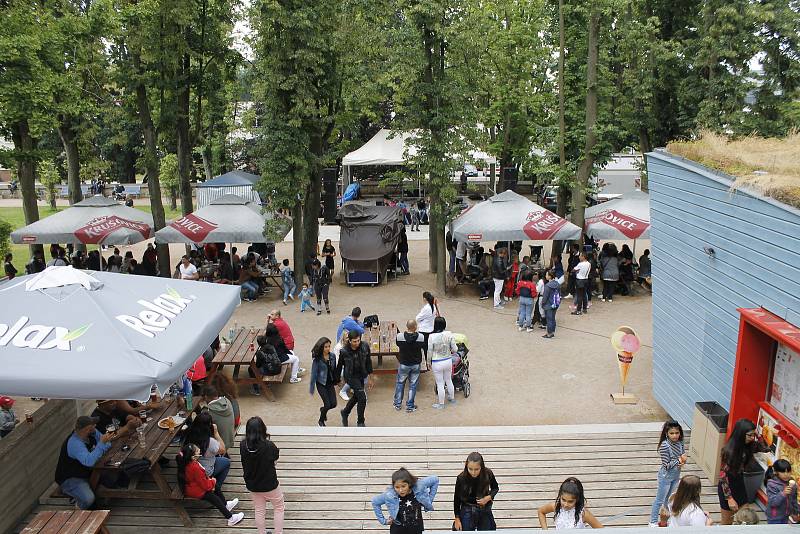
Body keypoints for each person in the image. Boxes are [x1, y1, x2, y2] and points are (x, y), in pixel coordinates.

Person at [54, 415, 132, 509]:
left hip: (89, 471)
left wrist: (102, 443)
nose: (95, 426)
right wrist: (101, 444)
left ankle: (85, 492)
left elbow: (107, 444)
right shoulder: (74, 443)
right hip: (72, 477)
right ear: (86, 429)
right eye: (93, 425)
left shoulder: (92, 434)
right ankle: (78, 504)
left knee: (116, 475)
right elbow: (89, 461)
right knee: (88, 499)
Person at [176, 443, 244, 526]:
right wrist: (212, 482)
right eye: (197, 451)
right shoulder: (195, 467)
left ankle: (225, 505)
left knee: (216, 487)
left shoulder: (186, 462)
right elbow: (205, 485)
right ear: (193, 457)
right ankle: (231, 518)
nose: (199, 451)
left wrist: (211, 482)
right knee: (215, 499)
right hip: (194, 490)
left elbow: (201, 480)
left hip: (193, 485)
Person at [718, 418, 769, 524]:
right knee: (727, 522)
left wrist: (759, 435)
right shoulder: (730, 452)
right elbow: (723, 476)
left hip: (740, 483)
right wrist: (730, 498)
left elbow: (766, 448)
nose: (752, 438)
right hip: (727, 487)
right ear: (741, 435)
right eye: (749, 435)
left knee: (746, 518)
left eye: (753, 435)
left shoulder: (749, 445)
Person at [240, 416, 285, 534]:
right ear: (263, 429)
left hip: (252, 485)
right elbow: (275, 461)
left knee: (259, 510)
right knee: (279, 507)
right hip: (270, 484)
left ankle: (262, 532)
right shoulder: (269, 446)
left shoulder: (243, 445)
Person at [372, 468, 439, 533]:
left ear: (409, 484)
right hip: (398, 530)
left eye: (403, 486)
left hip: (416, 529)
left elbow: (435, 479)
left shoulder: (419, 486)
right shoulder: (390, 495)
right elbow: (375, 502)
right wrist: (384, 521)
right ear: (393, 486)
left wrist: (429, 500)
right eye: (397, 487)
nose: (400, 490)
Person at [182, 410, 231, 495]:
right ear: (209, 425)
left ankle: (211, 484)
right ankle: (215, 487)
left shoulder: (188, 433)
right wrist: (216, 432)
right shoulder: (210, 442)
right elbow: (223, 449)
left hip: (189, 469)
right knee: (226, 462)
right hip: (204, 471)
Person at [649, 420, 686, 526]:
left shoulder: (680, 442)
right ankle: (653, 521)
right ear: (667, 433)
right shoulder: (664, 446)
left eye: (677, 433)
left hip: (676, 475)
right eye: (672, 433)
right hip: (665, 476)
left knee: (669, 498)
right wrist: (679, 460)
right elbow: (666, 465)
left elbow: (682, 455)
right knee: (659, 500)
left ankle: (666, 517)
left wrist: (683, 461)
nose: (675, 436)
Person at [336, 330, 374, 427]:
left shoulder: (365, 346)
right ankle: (360, 422)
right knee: (362, 398)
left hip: (362, 375)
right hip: (351, 377)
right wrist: (337, 380)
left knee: (357, 396)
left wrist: (371, 378)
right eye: (354, 341)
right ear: (350, 341)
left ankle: (345, 412)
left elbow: (368, 362)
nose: (357, 343)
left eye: (358, 340)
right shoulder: (344, 351)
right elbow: (339, 366)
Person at [453, 452, 499, 531]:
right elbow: (457, 499)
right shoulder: (461, 478)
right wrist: (457, 518)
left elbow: (495, 488)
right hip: (467, 509)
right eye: (470, 469)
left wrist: (488, 498)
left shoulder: (488, 473)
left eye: (476, 469)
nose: (473, 472)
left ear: (481, 466)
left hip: (484, 508)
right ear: (466, 466)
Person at [537, 477, 603, 529]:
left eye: (570, 501)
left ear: (577, 500)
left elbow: (602, 531)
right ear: (560, 496)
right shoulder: (556, 506)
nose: (565, 505)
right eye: (563, 500)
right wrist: (545, 531)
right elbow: (541, 511)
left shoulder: (583, 514)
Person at [394, 320, 425, 412]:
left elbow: (397, 344)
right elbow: (423, 346)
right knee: (413, 385)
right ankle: (410, 405)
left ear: (406, 326)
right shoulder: (421, 337)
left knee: (400, 383)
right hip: (415, 364)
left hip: (404, 363)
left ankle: (398, 404)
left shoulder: (399, 337)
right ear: (415, 326)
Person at [428, 316, 458, 409]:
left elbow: (429, 351)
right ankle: (452, 399)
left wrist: (428, 362)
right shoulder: (449, 334)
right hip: (448, 360)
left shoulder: (431, 336)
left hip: (437, 362)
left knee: (440, 383)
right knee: (448, 380)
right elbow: (455, 349)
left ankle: (441, 404)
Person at [309, 337, 338, 426]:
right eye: (326, 347)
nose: (328, 349)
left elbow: (335, 369)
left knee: (333, 404)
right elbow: (314, 373)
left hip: (330, 383)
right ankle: (321, 420)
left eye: (329, 346)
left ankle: (323, 409)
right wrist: (312, 387)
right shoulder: (317, 359)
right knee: (327, 404)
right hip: (321, 383)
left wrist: (337, 380)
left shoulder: (332, 356)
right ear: (322, 347)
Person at [203, 386, 235, 455]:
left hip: (220, 444)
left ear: (206, 397)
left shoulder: (208, 411)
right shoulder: (227, 401)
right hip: (230, 439)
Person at [765, 459, 799, 524]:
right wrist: (783, 493)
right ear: (775, 472)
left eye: (788, 471)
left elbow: (794, 500)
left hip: (786, 515)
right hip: (774, 517)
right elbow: (773, 502)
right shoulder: (772, 484)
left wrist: (795, 513)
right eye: (783, 472)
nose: (786, 474)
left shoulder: (792, 484)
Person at [415, 292, 440, 359]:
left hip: (424, 330)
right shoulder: (433, 306)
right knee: (429, 346)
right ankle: (429, 359)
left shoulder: (426, 308)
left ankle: (426, 361)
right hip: (431, 329)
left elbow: (418, 318)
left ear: (424, 299)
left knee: (424, 347)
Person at [540, 270, 561, 339]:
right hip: (555, 303)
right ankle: (552, 331)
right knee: (553, 318)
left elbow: (545, 297)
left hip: (548, 304)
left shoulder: (547, 286)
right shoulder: (557, 284)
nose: (546, 276)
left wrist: (542, 304)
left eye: (546, 275)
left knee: (549, 319)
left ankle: (549, 333)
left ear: (549, 276)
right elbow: (559, 294)